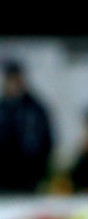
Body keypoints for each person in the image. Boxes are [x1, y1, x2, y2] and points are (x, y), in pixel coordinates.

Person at [0, 60, 54, 193]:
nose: (13, 84)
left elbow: (46, 141)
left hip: (30, 177)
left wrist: (42, 171)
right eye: (10, 80)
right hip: (4, 177)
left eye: (16, 79)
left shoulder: (35, 109)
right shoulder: (2, 108)